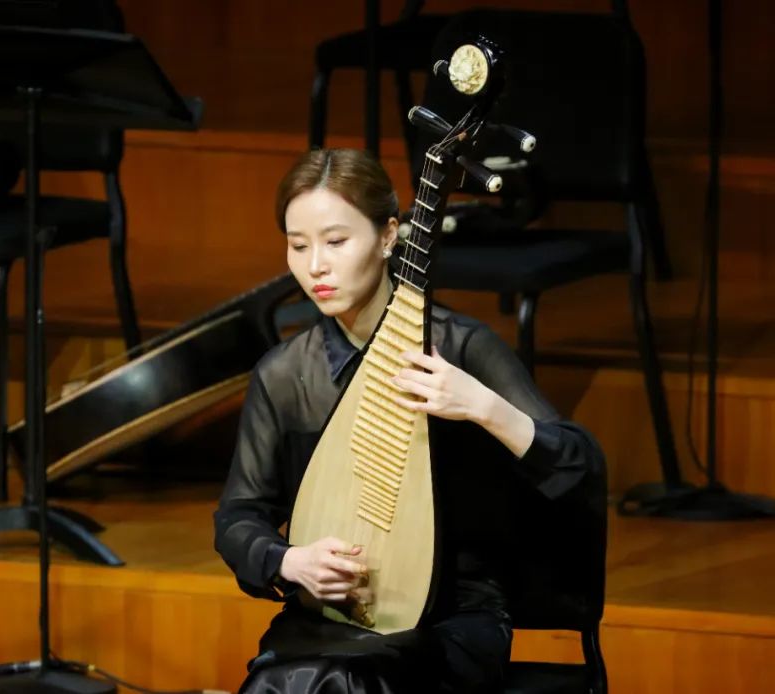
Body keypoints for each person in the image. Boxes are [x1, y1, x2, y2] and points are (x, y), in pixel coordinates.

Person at [213, 148, 605, 693]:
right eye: (298, 246)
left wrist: (484, 406)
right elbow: (238, 515)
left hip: (453, 619)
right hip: (325, 618)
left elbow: (578, 465)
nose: (315, 266)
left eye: (335, 241)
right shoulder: (286, 375)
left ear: (389, 236)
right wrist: (290, 561)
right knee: (296, 681)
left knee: (346, 683)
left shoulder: (459, 347)